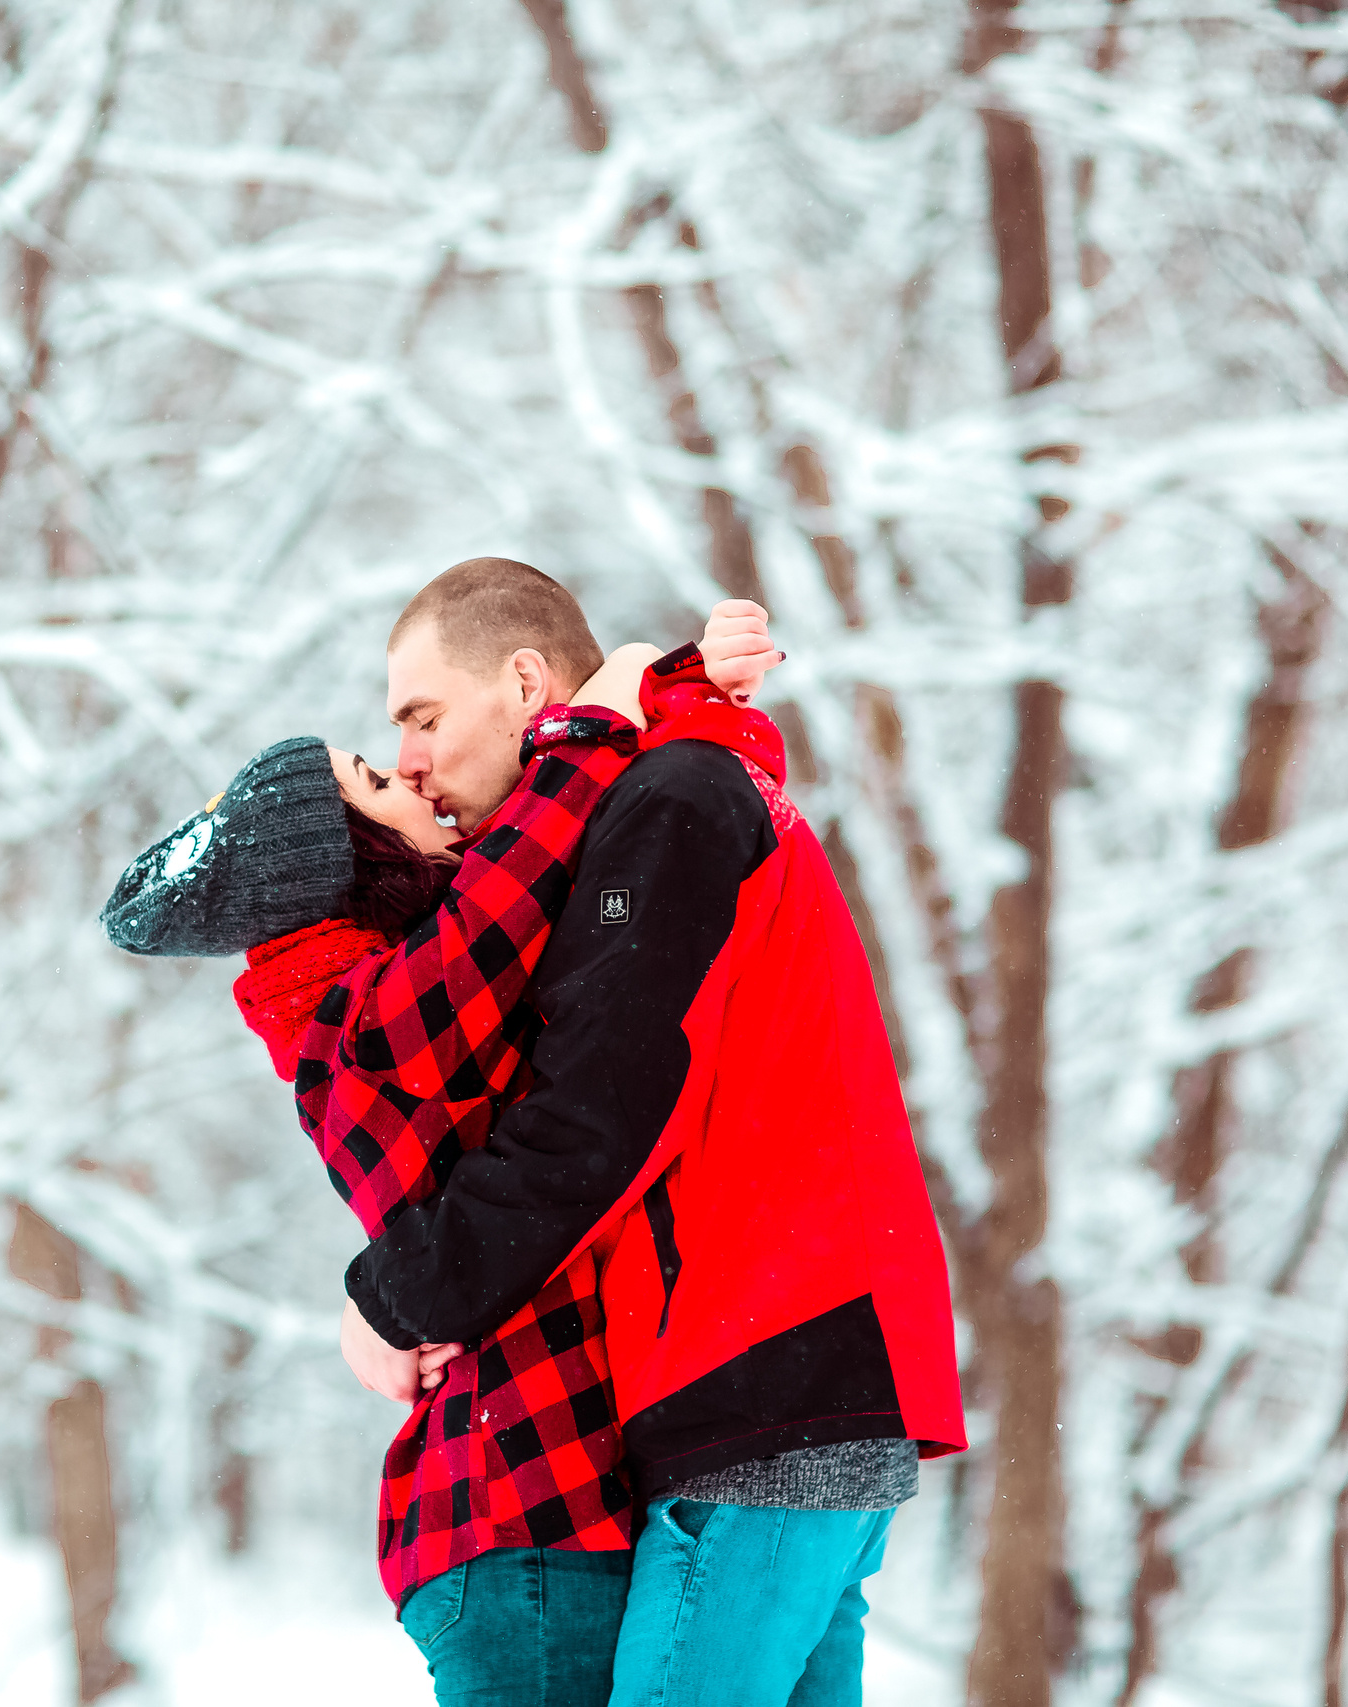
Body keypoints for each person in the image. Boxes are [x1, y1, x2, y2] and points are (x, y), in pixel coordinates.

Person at [99, 593, 782, 1705]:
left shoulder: (383, 996)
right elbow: (511, 890)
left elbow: (559, 874)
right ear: (342, 862)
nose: (411, 775)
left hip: (533, 1521)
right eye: (376, 779)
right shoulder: (363, 1025)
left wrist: (676, 688)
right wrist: (596, 727)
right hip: (518, 1523)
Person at [339, 558, 969, 1706]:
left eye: (421, 715)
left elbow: (590, 1117)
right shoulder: (666, 794)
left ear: (527, 682)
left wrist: (393, 1295)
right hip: (772, 1391)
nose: (413, 758)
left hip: (770, 1389)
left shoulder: (671, 801)